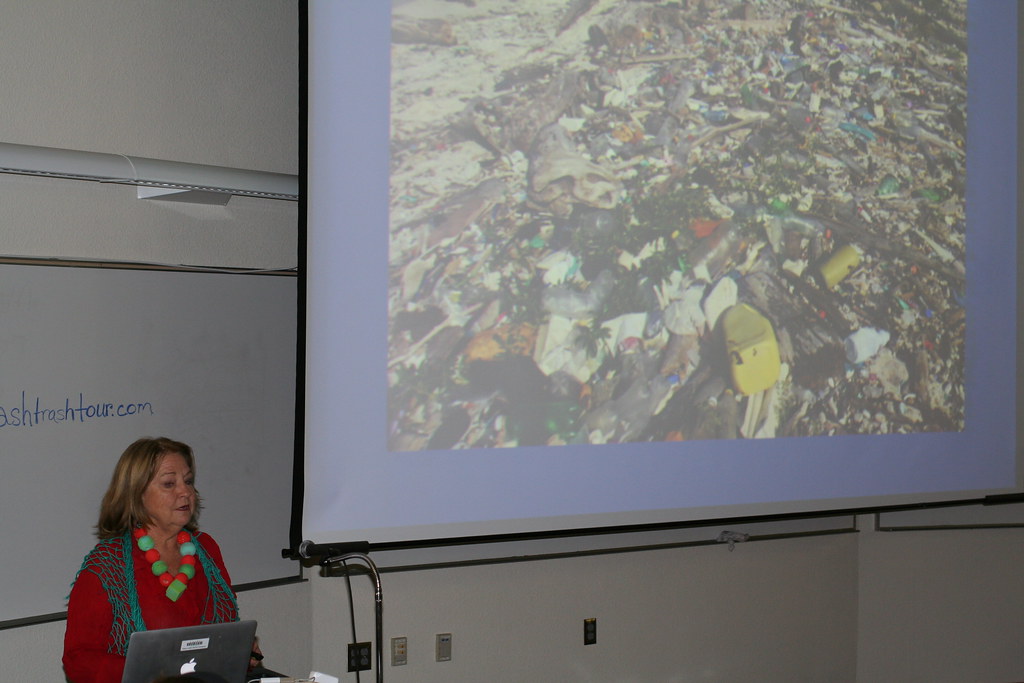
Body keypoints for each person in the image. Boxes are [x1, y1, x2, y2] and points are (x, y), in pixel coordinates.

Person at [62, 437, 243, 683]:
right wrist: (149, 673)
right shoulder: (107, 565)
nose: (186, 492)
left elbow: (222, 631)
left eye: (188, 481)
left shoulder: (206, 548)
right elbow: (78, 660)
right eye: (169, 483)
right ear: (137, 494)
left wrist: (239, 651)